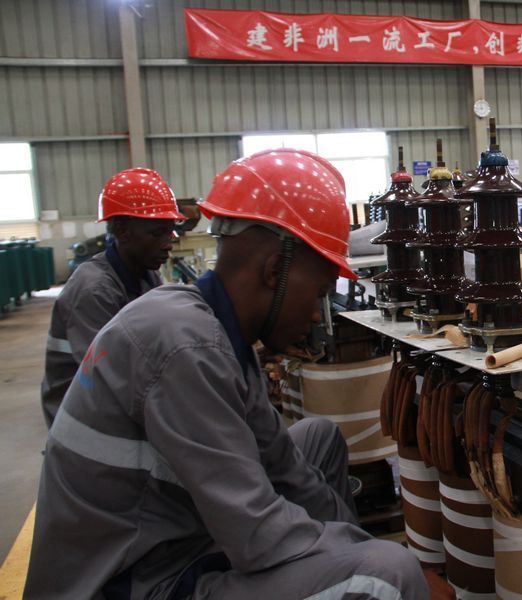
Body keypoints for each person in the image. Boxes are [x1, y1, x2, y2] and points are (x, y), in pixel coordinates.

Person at [25, 150, 429, 600]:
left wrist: (353, 550)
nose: (318, 314)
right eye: (318, 293)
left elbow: (285, 466)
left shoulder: (219, 333)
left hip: (171, 533)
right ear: (274, 271)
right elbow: (257, 534)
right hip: (133, 577)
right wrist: (380, 567)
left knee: (317, 439)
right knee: (389, 574)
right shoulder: (184, 345)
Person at [39, 168, 184, 427]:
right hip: (82, 416)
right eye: (157, 233)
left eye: (170, 232)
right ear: (122, 231)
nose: (168, 244)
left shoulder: (145, 275)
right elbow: (111, 377)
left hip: (110, 398)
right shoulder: (93, 290)